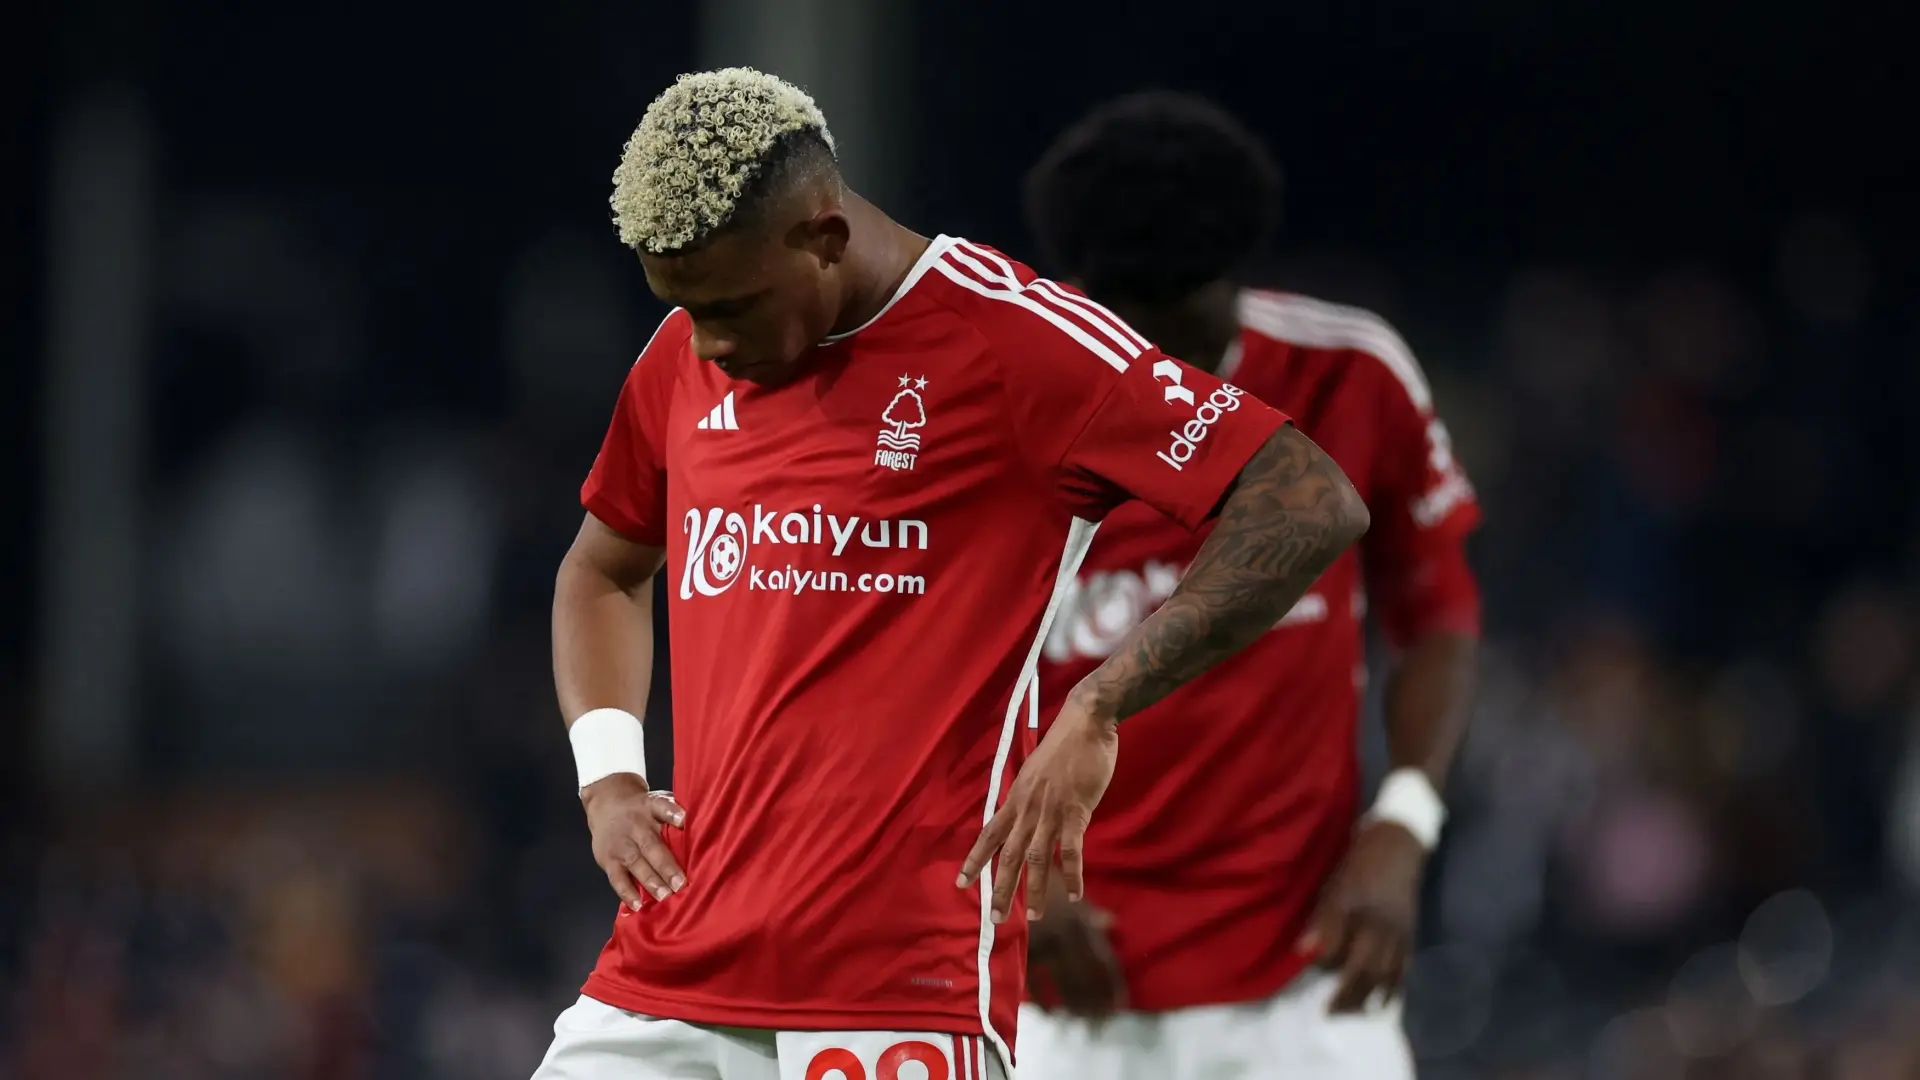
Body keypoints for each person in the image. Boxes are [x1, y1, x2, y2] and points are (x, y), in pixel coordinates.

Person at [534, 68, 1370, 1080]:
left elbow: (1307, 497)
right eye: (683, 306)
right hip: (665, 967)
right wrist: (609, 781)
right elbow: (604, 568)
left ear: (824, 236)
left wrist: (1102, 700)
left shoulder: (1018, 342)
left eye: (732, 306)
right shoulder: (684, 352)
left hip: (895, 989)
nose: (708, 339)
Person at [1016, 91, 1483, 1079]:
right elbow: (903, 681)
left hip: (1308, 988)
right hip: (1070, 995)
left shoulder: (1351, 375)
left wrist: (1404, 825)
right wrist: (995, 884)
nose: (1171, 384)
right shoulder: (1002, 409)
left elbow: (1438, 612)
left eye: (1187, 338)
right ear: (1081, 289)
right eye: (1134, 338)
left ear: (1237, 276)